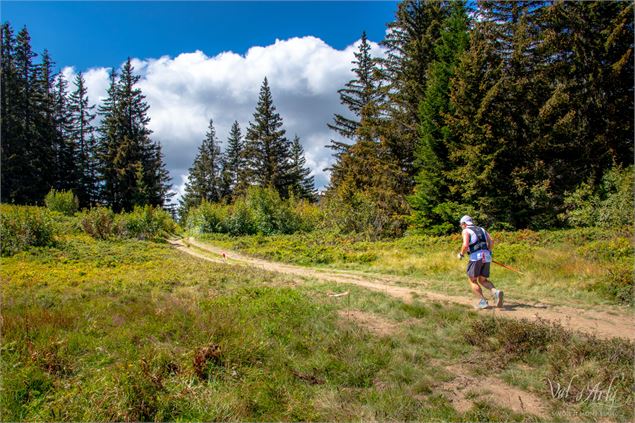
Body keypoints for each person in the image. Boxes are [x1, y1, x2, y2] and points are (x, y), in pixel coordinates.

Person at [457, 215, 503, 309]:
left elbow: (465, 245)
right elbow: (491, 241)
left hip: (475, 257)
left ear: (464, 224)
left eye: (461, 224)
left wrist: (461, 254)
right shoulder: (482, 229)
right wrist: (488, 252)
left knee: (472, 280)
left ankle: (483, 302)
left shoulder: (466, 231)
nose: (461, 226)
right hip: (486, 256)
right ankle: (495, 292)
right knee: (483, 280)